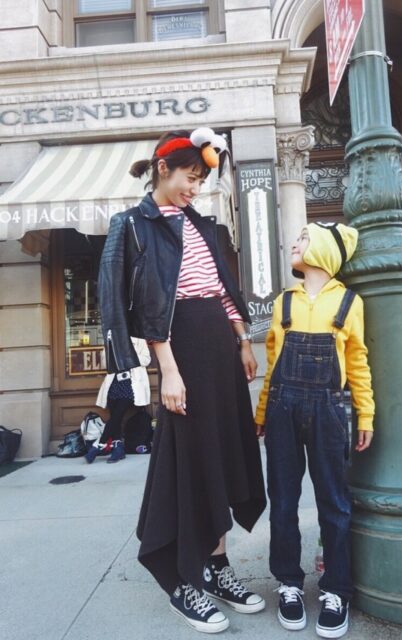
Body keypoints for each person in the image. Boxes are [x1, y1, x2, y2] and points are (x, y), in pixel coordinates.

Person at [98, 128, 266, 633]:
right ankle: (181, 580)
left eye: (201, 181)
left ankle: (216, 567)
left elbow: (221, 288)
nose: (195, 188)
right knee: (189, 463)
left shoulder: (199, 223)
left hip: (218, 345)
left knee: (221, 455)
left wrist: (242, 341)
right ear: (163, 169)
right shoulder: (133, 225)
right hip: (181, 349)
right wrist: (167, 370)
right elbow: (146, 303)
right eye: (190, 178)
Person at [255, 222, 375, 638]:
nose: (295, 242)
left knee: (335, 503)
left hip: (329, 411)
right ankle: (288, 582)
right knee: (283, 501)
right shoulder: (283, 302)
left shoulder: (349, 303)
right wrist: (261, 411)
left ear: (324, 250)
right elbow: (273, 365)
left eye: (304, 238)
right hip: (282, 410)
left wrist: (365, 414)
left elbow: (357, 362)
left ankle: (336, 589)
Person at [86, 337, 151, 463]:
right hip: (113, 382)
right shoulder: (111, 337)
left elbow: (146, 359)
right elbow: (105, 364)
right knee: (116, 417)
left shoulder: (138, 338)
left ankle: (99, 444)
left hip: (132, 383)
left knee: (117, 415)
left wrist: (128, 356)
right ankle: (118, 449)